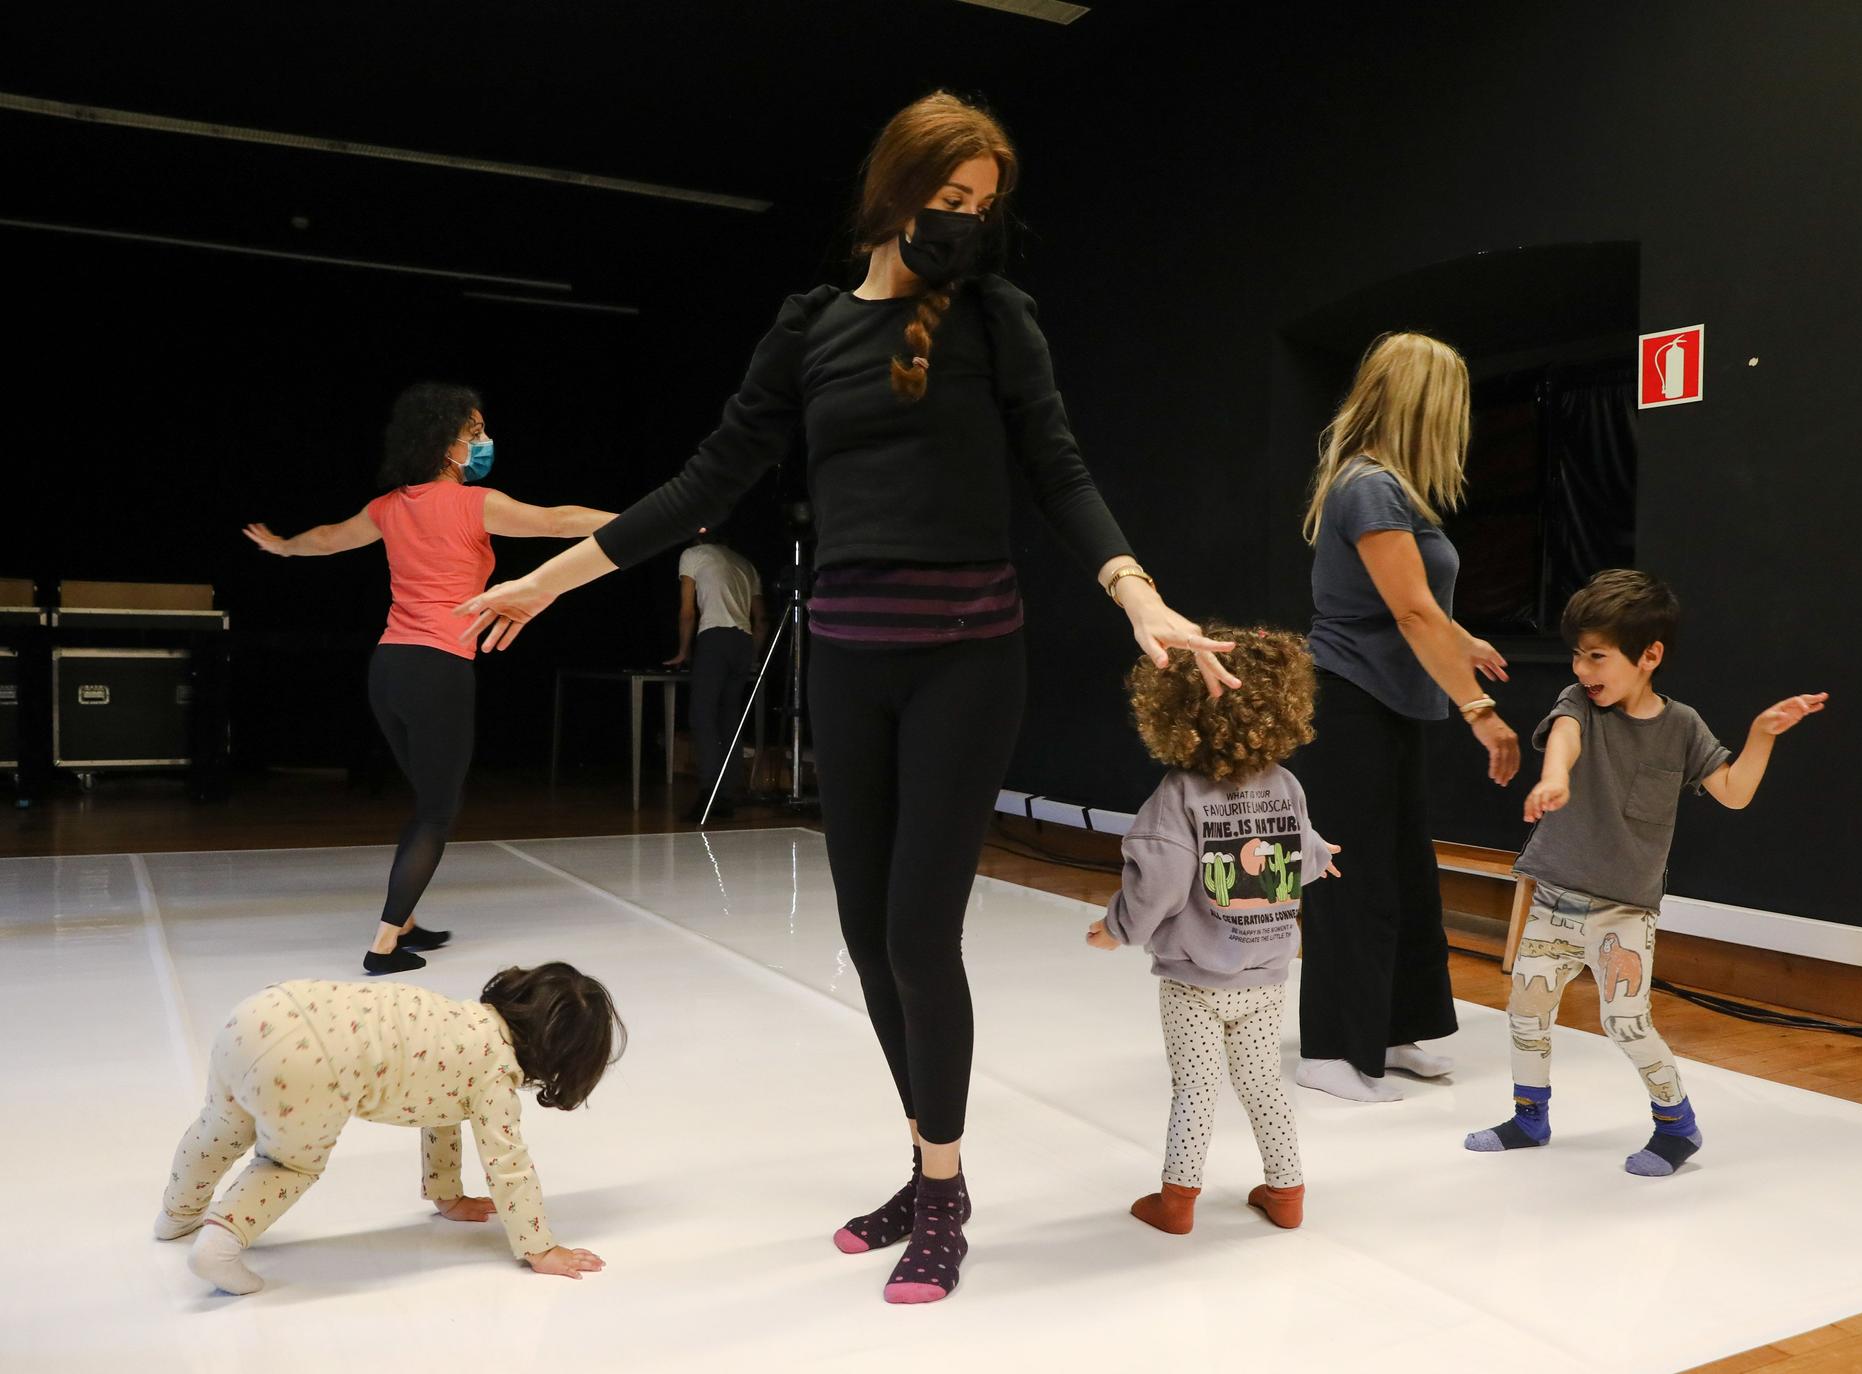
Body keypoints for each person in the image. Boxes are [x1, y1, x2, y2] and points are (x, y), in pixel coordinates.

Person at [453, 91, 1236, 1304]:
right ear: (891, 193)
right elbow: (705, 480)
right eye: (949, 202)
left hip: (969, 662)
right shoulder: (809, 329)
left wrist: (1136, 594)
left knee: (920, 935)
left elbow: (1058, 468)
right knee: (869, 944)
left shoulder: (996, 320)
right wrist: (551, 581)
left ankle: (941, 1191)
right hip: (850, 664)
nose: (967, 226)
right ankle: (931, 1173)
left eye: (984, 209)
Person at [243, 384, 615, 974]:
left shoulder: (389, 506)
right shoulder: (475, 504)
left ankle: (408, 921)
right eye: (474, 434)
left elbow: (329, 538)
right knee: (438, 812)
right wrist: (645, 523)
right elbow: (558, 521)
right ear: (446, 447)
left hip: (388, 670)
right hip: (438, 671)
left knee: (426, 802)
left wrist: (285, 548)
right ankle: (384, 944)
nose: (484, 443)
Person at [1465, 569, 1826, 1175]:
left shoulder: (1683, 726)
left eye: (1598, 657)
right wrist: (1554, 777)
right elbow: (1565, 738)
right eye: (1578, 655)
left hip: (1623, 910)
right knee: (1527, 1009)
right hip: (1554, 898)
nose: (1583, 670)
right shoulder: (1579, 704)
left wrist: (1761, 735)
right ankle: (1530, 1117)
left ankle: (1677, 1125)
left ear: (1649, 656)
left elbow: (1734, 792)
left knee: (1626, 1022)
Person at [1288, 332, 1520, 1104]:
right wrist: (1480, 710)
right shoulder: (1371, 487)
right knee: (1350, 877)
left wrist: (1465, 639)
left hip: (1387, 703)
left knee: (1404, 875)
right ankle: (1329, 1047)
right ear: (1424, 405)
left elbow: (1413, 609)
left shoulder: (1390, 490)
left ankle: (1389, 1029)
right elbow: (1414, 612)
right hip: (1349, 701)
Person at [154, 963, 624, 1294]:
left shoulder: (461, 1020)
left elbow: (441, 1115)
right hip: (313, 1065)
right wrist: (539, 1248)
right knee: (286, 1163)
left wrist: (448, 1196)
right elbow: (509, 1165)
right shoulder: (494, 1075)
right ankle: (219, 1244)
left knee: (221, 1122)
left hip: (265, 1010)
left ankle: (177, 1214)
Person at [1084, 626, 1339, 1234]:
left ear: (1175, 712)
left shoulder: (1180, 794)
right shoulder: (1286, 784)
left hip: (1194, 980)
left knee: (1195, 1090)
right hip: (1266, 976)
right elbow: (1295, 848)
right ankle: (1287, 1192)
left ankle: (1176, 1201)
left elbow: (1161, 880)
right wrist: (1319, 855)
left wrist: (1116, 927)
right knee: (1262, 1087)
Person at [666, 527, 766, 822]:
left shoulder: (693, 555)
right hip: (743, 642)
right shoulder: (745, 564)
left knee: (703, 716)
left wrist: (684, 650)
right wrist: (753, 657)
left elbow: (688, 610)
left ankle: (710, 793)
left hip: (714, 638)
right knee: (729, 719)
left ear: (698, 537)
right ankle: (727, 794)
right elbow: (761, 619)